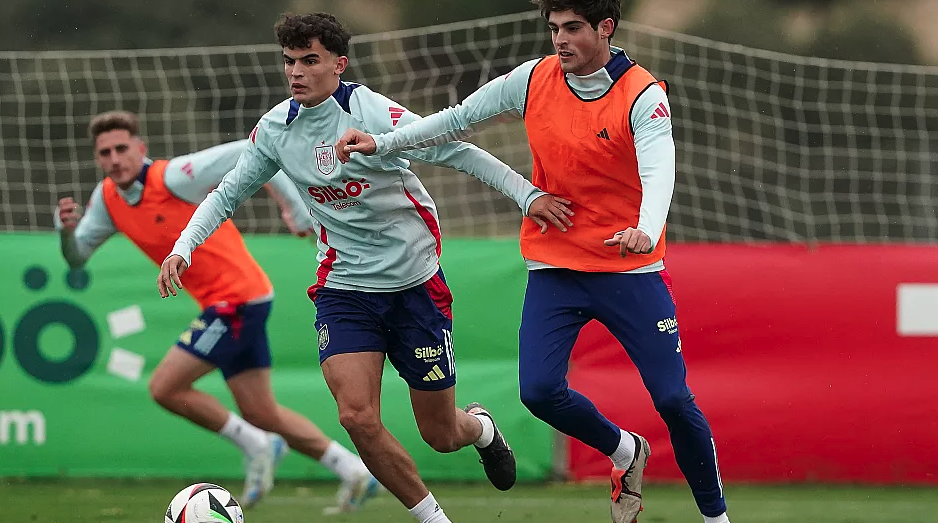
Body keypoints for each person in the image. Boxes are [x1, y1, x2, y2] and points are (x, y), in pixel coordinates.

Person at [156, 12, 574, 523]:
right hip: (345, 289)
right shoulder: (274, 130)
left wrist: (526, 195)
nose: (297, 72)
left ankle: (481, 429)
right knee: (356, 416)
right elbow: (227, 194)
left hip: (414, 286)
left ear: (339, 63)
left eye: (310, 60)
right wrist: (183, 247)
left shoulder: (373, 113)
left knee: (442, 435)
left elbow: (457, 152)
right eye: (290, 61)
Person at [335, 1, 730, 522]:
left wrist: (646, 230)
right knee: (539, 392)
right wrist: (382, 142)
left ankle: (715, 517)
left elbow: (660, 171)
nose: (560, 40)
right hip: (556, 268)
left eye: (572, 29)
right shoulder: (533, 78)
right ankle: (624, 452)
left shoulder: (643, 94)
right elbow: (456, 120)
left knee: (675, 401)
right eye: (553, 29)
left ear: (605, 28)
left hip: (628, 269)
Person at [57, 110, 379, 514]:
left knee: (165, 387)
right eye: (106, 152)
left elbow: (255, 148)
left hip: (238, 300)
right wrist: (66, 232)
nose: (115, 158)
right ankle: (353, 470)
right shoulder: (106, 198)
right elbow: (76, 258)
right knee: (261, 411)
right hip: (238, 300)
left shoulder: (175, 176)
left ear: (141, 149)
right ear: (98, 158)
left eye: (123, 148)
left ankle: (256, 443)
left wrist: (296, 211)